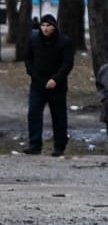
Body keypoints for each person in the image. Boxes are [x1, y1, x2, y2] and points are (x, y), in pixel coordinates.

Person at [25, 13, 74, 156]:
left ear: (54, 27)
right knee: (34, 113)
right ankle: (34, 144)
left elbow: (67, 63)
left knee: (59, 116)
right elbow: (28, 59)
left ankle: (59, 146)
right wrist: (33, 74)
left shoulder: (64, 41)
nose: (45, 29)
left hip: (57, 86)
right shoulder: (33, 40)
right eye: (43, 25)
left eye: (49, 26)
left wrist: (56, 79)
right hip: (38, 85)